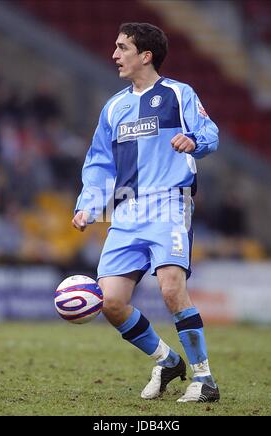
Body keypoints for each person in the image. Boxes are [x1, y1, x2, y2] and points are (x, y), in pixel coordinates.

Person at [73, 22, 220, 403]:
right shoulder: (113, 107)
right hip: (125, 209)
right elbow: (100, 162)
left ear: (145, 55)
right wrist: (88, 206)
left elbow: (209, 132)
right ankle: (167, 360)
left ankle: (204, 379)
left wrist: (194, 141)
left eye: (122, 48)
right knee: (111, 302)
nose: (115, 54)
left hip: (170, 202)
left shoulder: (177, 93)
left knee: (171, 288)